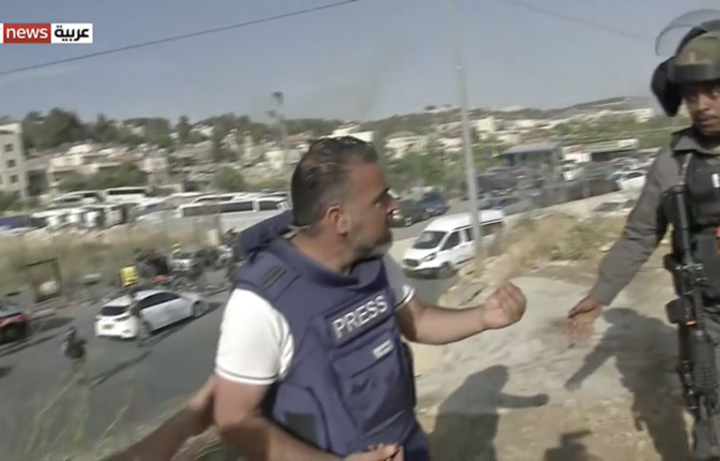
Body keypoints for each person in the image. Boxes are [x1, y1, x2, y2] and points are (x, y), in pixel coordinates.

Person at [213, 136, 527, 460]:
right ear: (339, 219)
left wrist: (483, 316)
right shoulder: (260, 303)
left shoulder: (372, 260)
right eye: (380, 200)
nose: (395, 206)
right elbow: (234, 421)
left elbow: (417, 320)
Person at [565, 11, 720, 460]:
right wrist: (600, 294)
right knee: (711, 417)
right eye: (691, 95)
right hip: (709, 317)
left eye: (713, 91)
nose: (702, 106)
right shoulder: (674, 163)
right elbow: (640, 235)